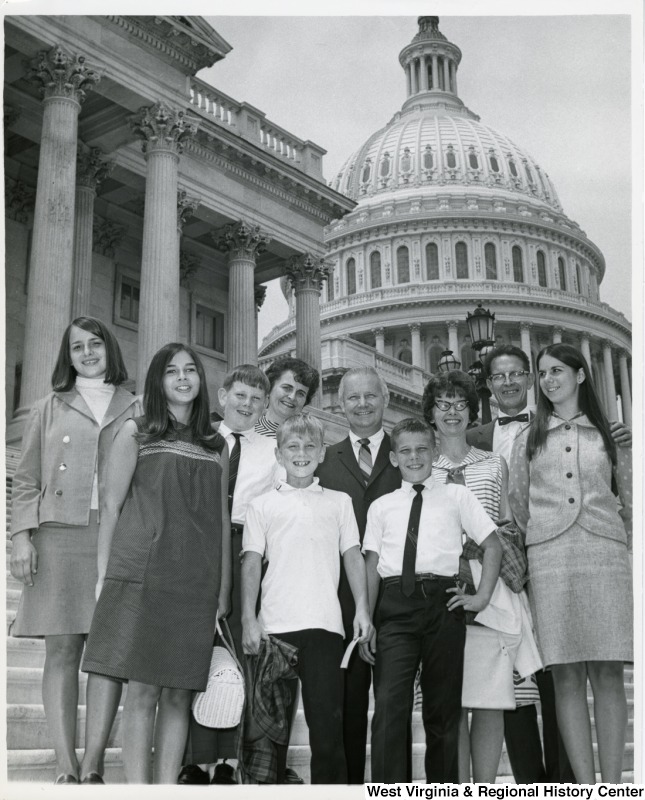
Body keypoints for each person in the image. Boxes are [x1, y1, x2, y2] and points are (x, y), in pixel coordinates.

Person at [468, 343, 630, 784]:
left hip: (604, 555)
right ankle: (570, 783)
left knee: (608, 672)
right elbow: (517, 508)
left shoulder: (610, 434)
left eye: (555, 371)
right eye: (543, 373)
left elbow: (629, 500)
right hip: (547, 560)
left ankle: (607, 786)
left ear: (580, 375)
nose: (547, 380)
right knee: (563, 677)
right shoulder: (524, 438)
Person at [81, 344, 231, 784]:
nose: (183, 378)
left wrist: (222, 588)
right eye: (172, 372)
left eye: (190, 370)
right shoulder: (136, 431)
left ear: (201, 380)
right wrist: (104, 574)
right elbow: (110, 506)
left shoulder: (216, 444)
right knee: (143, 690)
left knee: (180, 694)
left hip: (196, 582)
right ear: (157, 380)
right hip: (144, 574)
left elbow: (220, 519)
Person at [9, 316, 138, 785]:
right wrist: (21, 535)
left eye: (95, 344)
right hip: (59, 534)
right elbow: (25, 479)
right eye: (77, 346)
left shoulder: (137, 406)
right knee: (62, 652)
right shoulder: (49, 406)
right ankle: (65, 767)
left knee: (105, 653)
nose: (86, 353)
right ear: (68, 355)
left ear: (110, 349)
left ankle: (95, 763)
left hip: (116, 536)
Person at [361, 418, 502, 784]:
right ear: (393, 458)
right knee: (390, 707)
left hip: (443, 604)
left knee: (443, 711)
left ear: (435, 453)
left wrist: (481, 597)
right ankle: (390, 789)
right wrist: (366, 619)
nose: (414, 457)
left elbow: (492, 544)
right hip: (394, 608)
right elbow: (373, 565)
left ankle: (443, 789)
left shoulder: (457, 496)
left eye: (422, 449)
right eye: (405, 451)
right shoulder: (381, 506)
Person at [422, 371, 541, 783]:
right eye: (443, 404)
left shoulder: (494, 462)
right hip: (441, 589)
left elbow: (506, 524)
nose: (452, 412)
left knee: (491, 697)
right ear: (431, 414)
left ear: (473, 411)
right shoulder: (421, 465)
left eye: (460, 404)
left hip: (488, 588)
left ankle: (485, 787)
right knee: (449, 699)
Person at [242, 413, 372, 784]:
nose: (301, 453)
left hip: (326, 630)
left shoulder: (339, 501)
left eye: (309, 446)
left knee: (328, 734)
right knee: (269, 737)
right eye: (292, 447)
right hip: (274, 633)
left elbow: (352, 555)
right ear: (279, 454)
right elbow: (251, 561)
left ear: (322, 453)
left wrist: (362, 608)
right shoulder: (261, 505)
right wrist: (250, 619)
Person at [179, 364, 283, 785]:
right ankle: (196, 757)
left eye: (257, 399)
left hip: (246, 547)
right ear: (222, 396)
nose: (247, 404)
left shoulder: (271, 449)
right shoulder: (198, 437)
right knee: (195, 650)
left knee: (242, 654)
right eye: (240, 395)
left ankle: (231, 759)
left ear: (264, 406)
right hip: (198, 543)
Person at [315, 366, 401, 783]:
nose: (363, 404)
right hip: (343, 604)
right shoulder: (323, 462)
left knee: (393, 708)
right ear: (340, 403)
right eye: (353, 398)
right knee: (346, 709)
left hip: (401, 601)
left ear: (385, 400)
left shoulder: (409, 456)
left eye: (371, 396)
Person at [255, 356, 320, 437]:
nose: (292, 397)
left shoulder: (311, 440)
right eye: (286, 388)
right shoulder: (244, 433)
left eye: (300, 394)